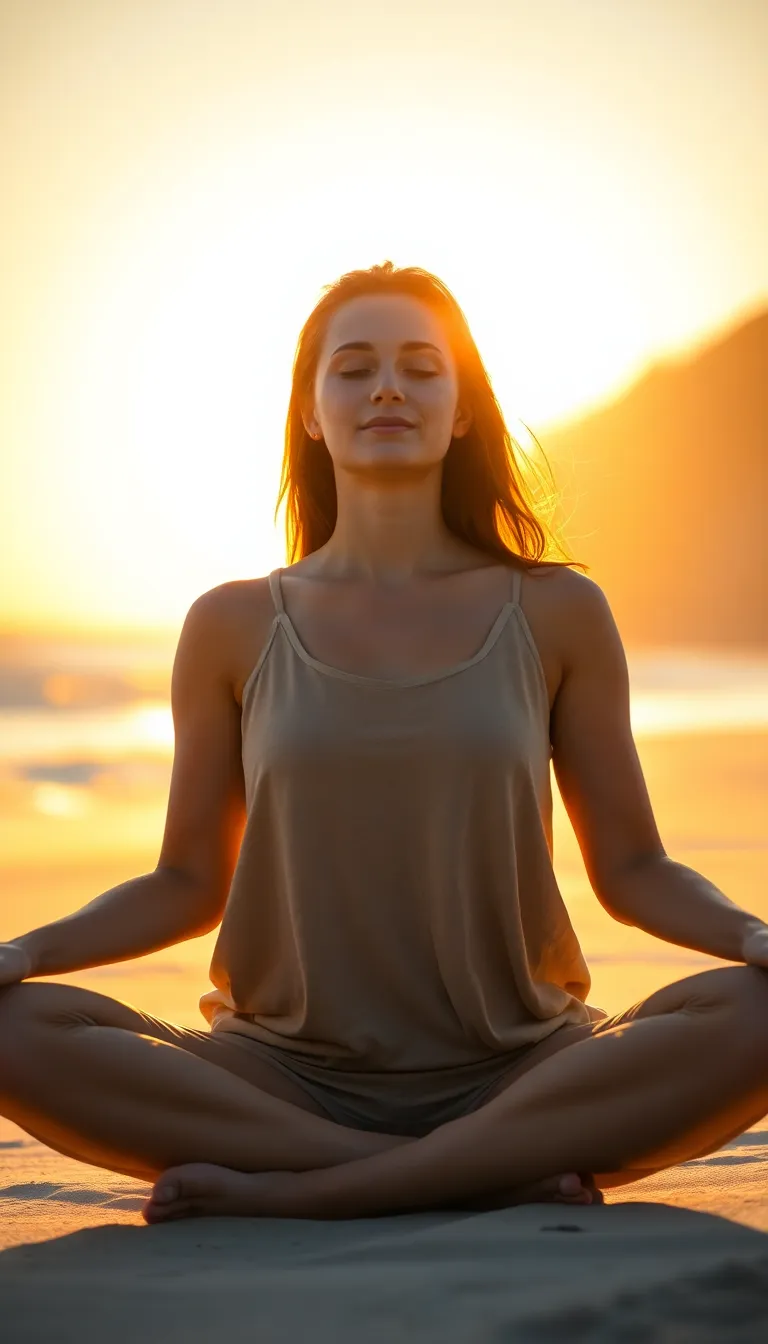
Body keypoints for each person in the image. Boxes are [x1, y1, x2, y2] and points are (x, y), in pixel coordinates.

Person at [1, 261, 767, 1226]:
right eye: (354, 369)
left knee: (758, 1012)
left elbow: (637, 867)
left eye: (421, 368)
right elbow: (186, 884)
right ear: (312, 413)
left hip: (524, 1071)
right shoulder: (232, 625)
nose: (389, 388)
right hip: (280, 1080)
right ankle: (459, 1175)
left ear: (461, 411)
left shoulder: (558, 610)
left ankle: (324, 1193)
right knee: (13, 1029)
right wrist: (21, 951)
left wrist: (753, 935)